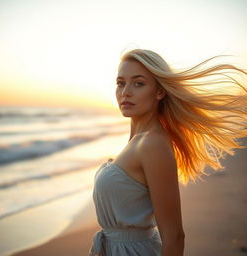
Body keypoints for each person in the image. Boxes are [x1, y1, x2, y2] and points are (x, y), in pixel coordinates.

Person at [89, 49, 247, 256]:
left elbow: (174, 237)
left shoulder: (152, 144)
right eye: (120, 83)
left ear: (160, 92)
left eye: (138, 83)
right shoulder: (137, 141)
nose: (125, 91)